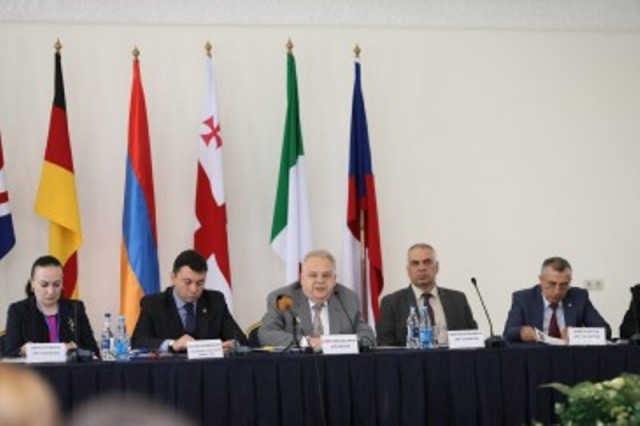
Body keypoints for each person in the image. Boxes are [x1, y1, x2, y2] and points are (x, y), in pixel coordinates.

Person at [131, 249, 248, 353]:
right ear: (173, 277)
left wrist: (231, 345)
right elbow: (138, 342)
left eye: (200, 283)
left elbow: (240, 340)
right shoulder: (153, 304)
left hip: (208, 368)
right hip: (169, 369)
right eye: (188, 282)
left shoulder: (215, 301)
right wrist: (172, 344)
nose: (193, 289)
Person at [258, 249, 375, 350]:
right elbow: (266, 334)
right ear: (302, 278)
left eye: (326, 275)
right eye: (313, 275)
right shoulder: (283, 298)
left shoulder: (347, 298)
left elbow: (368, 336)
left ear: (334, 279)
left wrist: (337, 344)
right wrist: (307, 342)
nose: (320, 281)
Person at [376, 243, 477, 346]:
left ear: (437, 267)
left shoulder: (458, 299)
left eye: (427, 262)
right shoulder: (391, 303)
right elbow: (385, 346)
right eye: (415, 263)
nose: (421, 268)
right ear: (408, 270)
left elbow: (473, 339)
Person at [4, 255, 99, 358]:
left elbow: (94, 351)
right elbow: (9, 354)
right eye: (44, 285)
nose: (51, 291)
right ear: (32, 284)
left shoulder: (75, 308)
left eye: (56, 284)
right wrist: (22, 350)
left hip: (69, 368)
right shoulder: (18, 311)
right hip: (33, 369)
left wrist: (74, 347)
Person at [503, 256, 611, 342]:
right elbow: (507, 333)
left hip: (570, 356)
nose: (557, 291)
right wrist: (521, 332)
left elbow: (606, 331)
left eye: (564, 285)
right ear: (541, 280)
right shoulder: (523, 298)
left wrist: (577, 335)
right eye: (552, 284)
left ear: (570, 281)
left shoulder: (579, 297)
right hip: (536, 356)